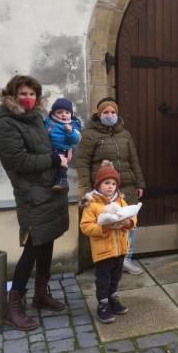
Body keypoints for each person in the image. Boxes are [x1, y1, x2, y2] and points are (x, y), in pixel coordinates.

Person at [0, 75, 70, 331]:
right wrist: (53, 160)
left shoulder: (37, 117)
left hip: (49, 191)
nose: (28, 98)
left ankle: (40, 294)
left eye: (32, 94)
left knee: (47, 241)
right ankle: (13, 304)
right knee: (32, 248)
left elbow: (48, 145)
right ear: (12, 95)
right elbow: (19, 162)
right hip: (31, 196)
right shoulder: (6, 125)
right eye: (23, 94)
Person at [76, 97, 146, 275]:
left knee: (130, 223)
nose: (110, 115)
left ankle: (126, 259)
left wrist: (139, 182)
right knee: (106, 223)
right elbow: (82, 163)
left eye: (113, 112)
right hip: (103, 190)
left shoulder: (125, 134)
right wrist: (85, 191)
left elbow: (134, 160)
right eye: (106, 112)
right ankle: (107, 260)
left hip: (127, 187)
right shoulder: (90, 135)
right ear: (99, 115)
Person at [79, 160, 136, 324]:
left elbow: (131, 216)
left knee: (115, 277)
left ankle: (113, 299)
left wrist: (128, 223)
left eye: (113, 183)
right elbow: (86, 226)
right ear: (99, 184)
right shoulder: (93, 204)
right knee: (103, 279)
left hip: (120, 249)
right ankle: (102, 305)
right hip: (103, 251)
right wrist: (104, 228)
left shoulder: (120, 200)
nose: (110, 186)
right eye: (106, 183)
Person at [44, 98, 82, 193]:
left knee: (62, 166)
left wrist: (70, 132)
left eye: (67, 112)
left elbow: (76, 140)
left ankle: (62, 181)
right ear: (53, 113)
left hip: (63, 150)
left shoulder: (73, 124)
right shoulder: (49, 121)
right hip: (49, 148)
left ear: (71, 114)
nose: (64, 115)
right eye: (60, 112)